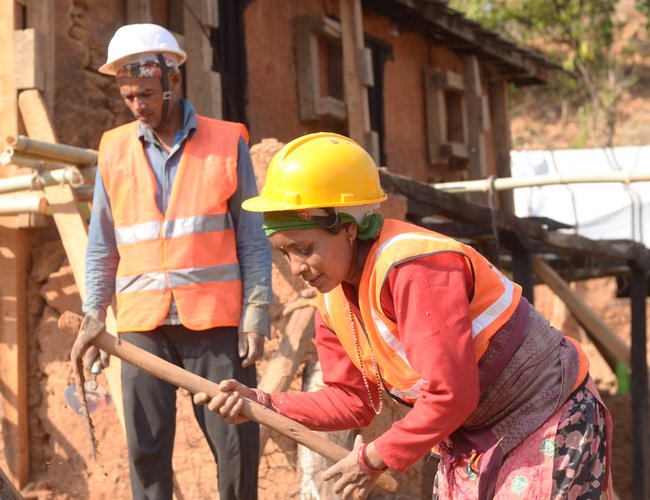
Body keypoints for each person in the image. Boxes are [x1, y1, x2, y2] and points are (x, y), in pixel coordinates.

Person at [193, 132, 613, 499]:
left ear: (348, 227)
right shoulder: (332, 304)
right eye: (285, 253)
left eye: (305, 248)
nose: (297, 268)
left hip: (546, 413)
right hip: (474, 438)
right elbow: (353, 402)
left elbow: (451, 394)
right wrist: (264, 402)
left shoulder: (414, 269)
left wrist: (375, 457)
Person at [81, 23, 272, 500]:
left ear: (174, 81)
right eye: (128, 96)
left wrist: (257, 313)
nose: (138, 105)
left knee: (235, 446)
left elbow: (252, 238)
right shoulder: (113, 149)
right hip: (143, 326)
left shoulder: (227, 143)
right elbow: (102, 244)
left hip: (214, 323)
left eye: (145, 92)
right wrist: (93, 313)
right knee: (146, 450)